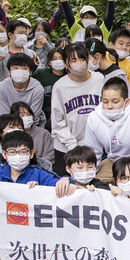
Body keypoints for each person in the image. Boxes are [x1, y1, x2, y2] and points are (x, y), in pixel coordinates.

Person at [50, 43, 105, 174]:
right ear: (66, 64)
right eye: (73, 60)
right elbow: (58, 122)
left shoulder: (99, 79)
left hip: (96, 146)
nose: (79, 63)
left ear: (88, 60)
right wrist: (73, 147)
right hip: (67, 148)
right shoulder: (60, 86)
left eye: (82, 59)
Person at [84, 77, 130, 163]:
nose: (109, 106)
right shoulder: (94, 118)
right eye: (105, 102)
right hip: (113, 161)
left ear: (126, 102)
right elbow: (92, 151)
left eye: (115, 102)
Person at [0, 53, 45, 126]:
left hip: (32, 125)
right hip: (9, 126)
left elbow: (35, 116)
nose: (20, 71)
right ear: (9, 71)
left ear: (30, 72)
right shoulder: (2, 87)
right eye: (16, 68)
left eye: (24, 68)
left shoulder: (37, 89)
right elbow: (4, 115)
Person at [10, 101, 55, 170]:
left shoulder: (43, 134)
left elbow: (50, 157)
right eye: (22, 115)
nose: (27, 117)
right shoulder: (11, 135)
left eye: (29, 114)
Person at [0, 20, 31, 84]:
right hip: (6, 91)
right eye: (20, 33)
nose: (23, 36)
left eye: (25, 34)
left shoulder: (31, 54)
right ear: (10, 35)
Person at [33, 47, 67, 127]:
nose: (58, 61)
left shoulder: (70, 76)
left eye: (61, 58)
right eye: (54, 59)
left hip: (64, 117)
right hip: (45, 117)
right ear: (50, 61)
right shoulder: (40, 73)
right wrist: (33, 66)